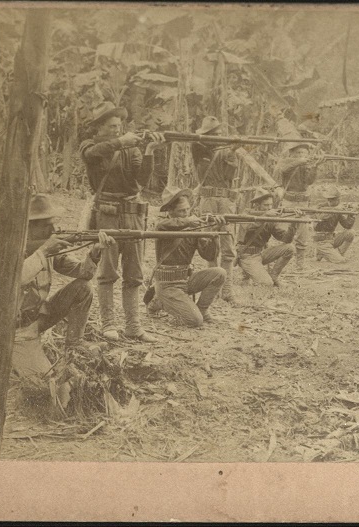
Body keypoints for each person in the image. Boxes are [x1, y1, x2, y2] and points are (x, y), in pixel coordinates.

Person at [78, 101, 160, 342]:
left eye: (119, 125)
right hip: (107, 213)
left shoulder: (130, 149)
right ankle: (108, 324)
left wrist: (149, 152)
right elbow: (92, 155)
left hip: (133, 214)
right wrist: (120, 142)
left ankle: (134, 326)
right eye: (111, 126)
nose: (117, 129)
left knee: (134, 274)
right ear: (99, 128)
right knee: (107, 272)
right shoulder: (90, 146)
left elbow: (141, 180)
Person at [14, 195, 115, 376]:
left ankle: (74, 344)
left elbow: (84, 273)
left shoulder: (47, 250)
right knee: (43, 382)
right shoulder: (10, 250)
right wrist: (43, 252)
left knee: (83, 288)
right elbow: (16, 279)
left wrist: (95, 252)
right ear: (29, 226)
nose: (53, 230)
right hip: (16, 331)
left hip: (38, 318)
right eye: (46, 226)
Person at [147, 187, 227, 327]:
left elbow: (208, 256)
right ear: (170, 212)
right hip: (167, 285)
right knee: (194, 321)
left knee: (219, 273)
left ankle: (202, 310)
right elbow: (162, 226)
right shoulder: (163, 226)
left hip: (185, 280)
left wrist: (214, 232)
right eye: (181, 211)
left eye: (187, 210)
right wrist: (190, 221)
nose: (186, 214)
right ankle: (159, 300)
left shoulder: (192, 228)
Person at [190, 116, 246, 304]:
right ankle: (213, 284)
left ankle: (227, 290)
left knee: (227, 245)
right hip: (208, 199)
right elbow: (198, 146)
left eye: (221, 134)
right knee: (210, 244)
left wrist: (232, 150)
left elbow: (230, 175)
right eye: (215, 134)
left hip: (225, 200)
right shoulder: (199, 148)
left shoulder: (228, 152)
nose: (219, 137)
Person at [237, 190, 295, 287]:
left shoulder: (270, 219)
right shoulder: (247, 213)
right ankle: (246, 273)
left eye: (270, 205)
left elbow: (285, 239)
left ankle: (274, 276)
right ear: (257, 205)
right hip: (246, 255)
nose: (269, 208)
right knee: (266, 284)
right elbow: (248, 227)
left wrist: (294, 224)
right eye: (265, 205)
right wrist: (265, 216)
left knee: (290, 248)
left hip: (261, 254)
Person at [275, 142, 320, 269]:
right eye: (298, 153)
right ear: (292, 154)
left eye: (304, 153)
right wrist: (300, 161)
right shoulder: (286, 162)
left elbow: (309, 181)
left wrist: (315, 166)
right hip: (289, 201)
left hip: (303, 202)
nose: (302, 155)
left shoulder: (306, 165)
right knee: (285, 233)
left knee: (302, 233)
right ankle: (280, 261)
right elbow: (284, 170)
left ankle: (300, 264)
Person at [313, 188, 356, 264]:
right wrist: (337, 209)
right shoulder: (319, 207)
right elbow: (322, 217)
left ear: (338, 200)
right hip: (322, 242)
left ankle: (339, 253)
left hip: (332, 239)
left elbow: (347, 225)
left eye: (333, 199)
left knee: (350, 232)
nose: (330, 201)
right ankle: (320, 253)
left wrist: (351, 214)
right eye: (329, 199)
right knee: (341, 261)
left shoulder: (337, 209)